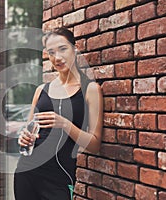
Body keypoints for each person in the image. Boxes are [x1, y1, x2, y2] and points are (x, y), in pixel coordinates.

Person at [14, 28, 103, 200]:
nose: (57, 57)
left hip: (59, 178)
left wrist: (65, 124)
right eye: (51, 52)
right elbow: (29, 130)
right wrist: (23, 137)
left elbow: (95, 145)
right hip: (26, 172)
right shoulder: (41, 90)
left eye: (63, 49)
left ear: (75, 49)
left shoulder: (90, 90)